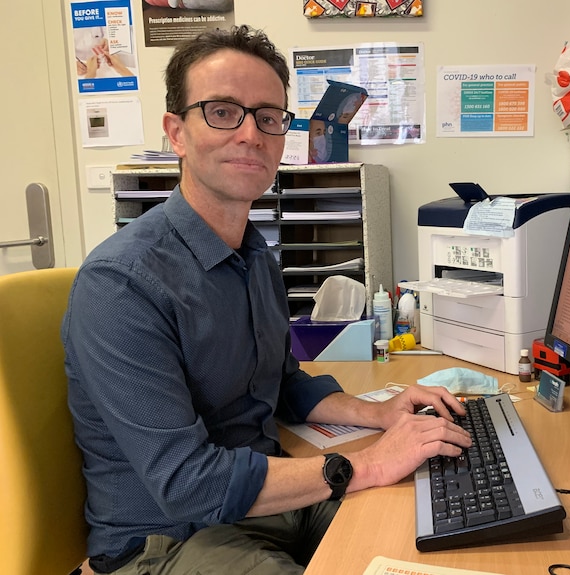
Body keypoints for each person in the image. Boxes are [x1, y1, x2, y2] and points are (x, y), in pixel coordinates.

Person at [62, 25, 471, 575]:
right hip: (168, 540)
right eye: (223, 111)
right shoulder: (122, 285)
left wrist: (379, 414)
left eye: (268, 116)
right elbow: (187, 483)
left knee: (439, 520)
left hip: (264, 501)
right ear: (175, 133)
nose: (251, 134)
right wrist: (368, 464)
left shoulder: (253, 256)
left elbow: (283, 384)